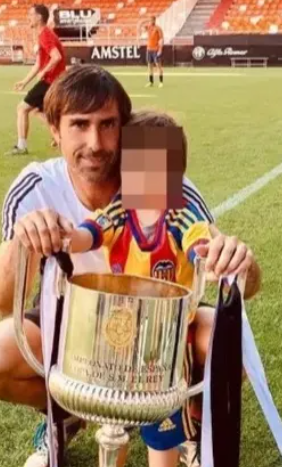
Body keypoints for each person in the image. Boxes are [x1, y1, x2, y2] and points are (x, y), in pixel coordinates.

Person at [0, 64, 261, 467]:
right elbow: (1, 303)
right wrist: (24, 240)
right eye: (79, 124)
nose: (95, 143)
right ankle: (68, 413)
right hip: (75, 320)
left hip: (158, 322)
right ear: (54, 130)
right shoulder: (36, 187)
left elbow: (238, 279)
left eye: (107, 125)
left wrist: (239, 262)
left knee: (232, 344)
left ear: (125, 129)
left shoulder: (162, 179)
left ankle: (191, 422)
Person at [67, 110, 208, 467]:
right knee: (112, 419)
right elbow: (89, 233)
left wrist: (206, 253)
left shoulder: (180, 214)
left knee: (161, 425)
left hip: (167, 342)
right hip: (120, 337)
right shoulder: (119, 210)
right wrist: (63, 237)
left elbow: (198, 240)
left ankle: (180, 442)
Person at [7, 3, 66, 156]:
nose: (28, 18)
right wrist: (24, 81)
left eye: (30, 14)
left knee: (22, 108)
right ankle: (60, 136)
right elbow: (39, 64)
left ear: (39, 17)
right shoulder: (43, 35)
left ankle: (21, 146)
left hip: (51, 81)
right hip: (54, 81)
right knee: (38, 111)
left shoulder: (45, 35)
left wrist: (44, 72)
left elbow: (56, 57)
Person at [142, 17, 164, 88]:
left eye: (152, 20)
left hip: (156, 49)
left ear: (155, 20)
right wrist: (145, 22)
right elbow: (141, 26)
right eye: (150, 20)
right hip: (149, 49)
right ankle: (151, 82)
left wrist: (160, 49)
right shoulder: (148, 27)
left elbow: (161, 39)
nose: (151, 21)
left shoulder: (158, 28)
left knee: (158, 65)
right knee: (149, 65)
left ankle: (161, 82)